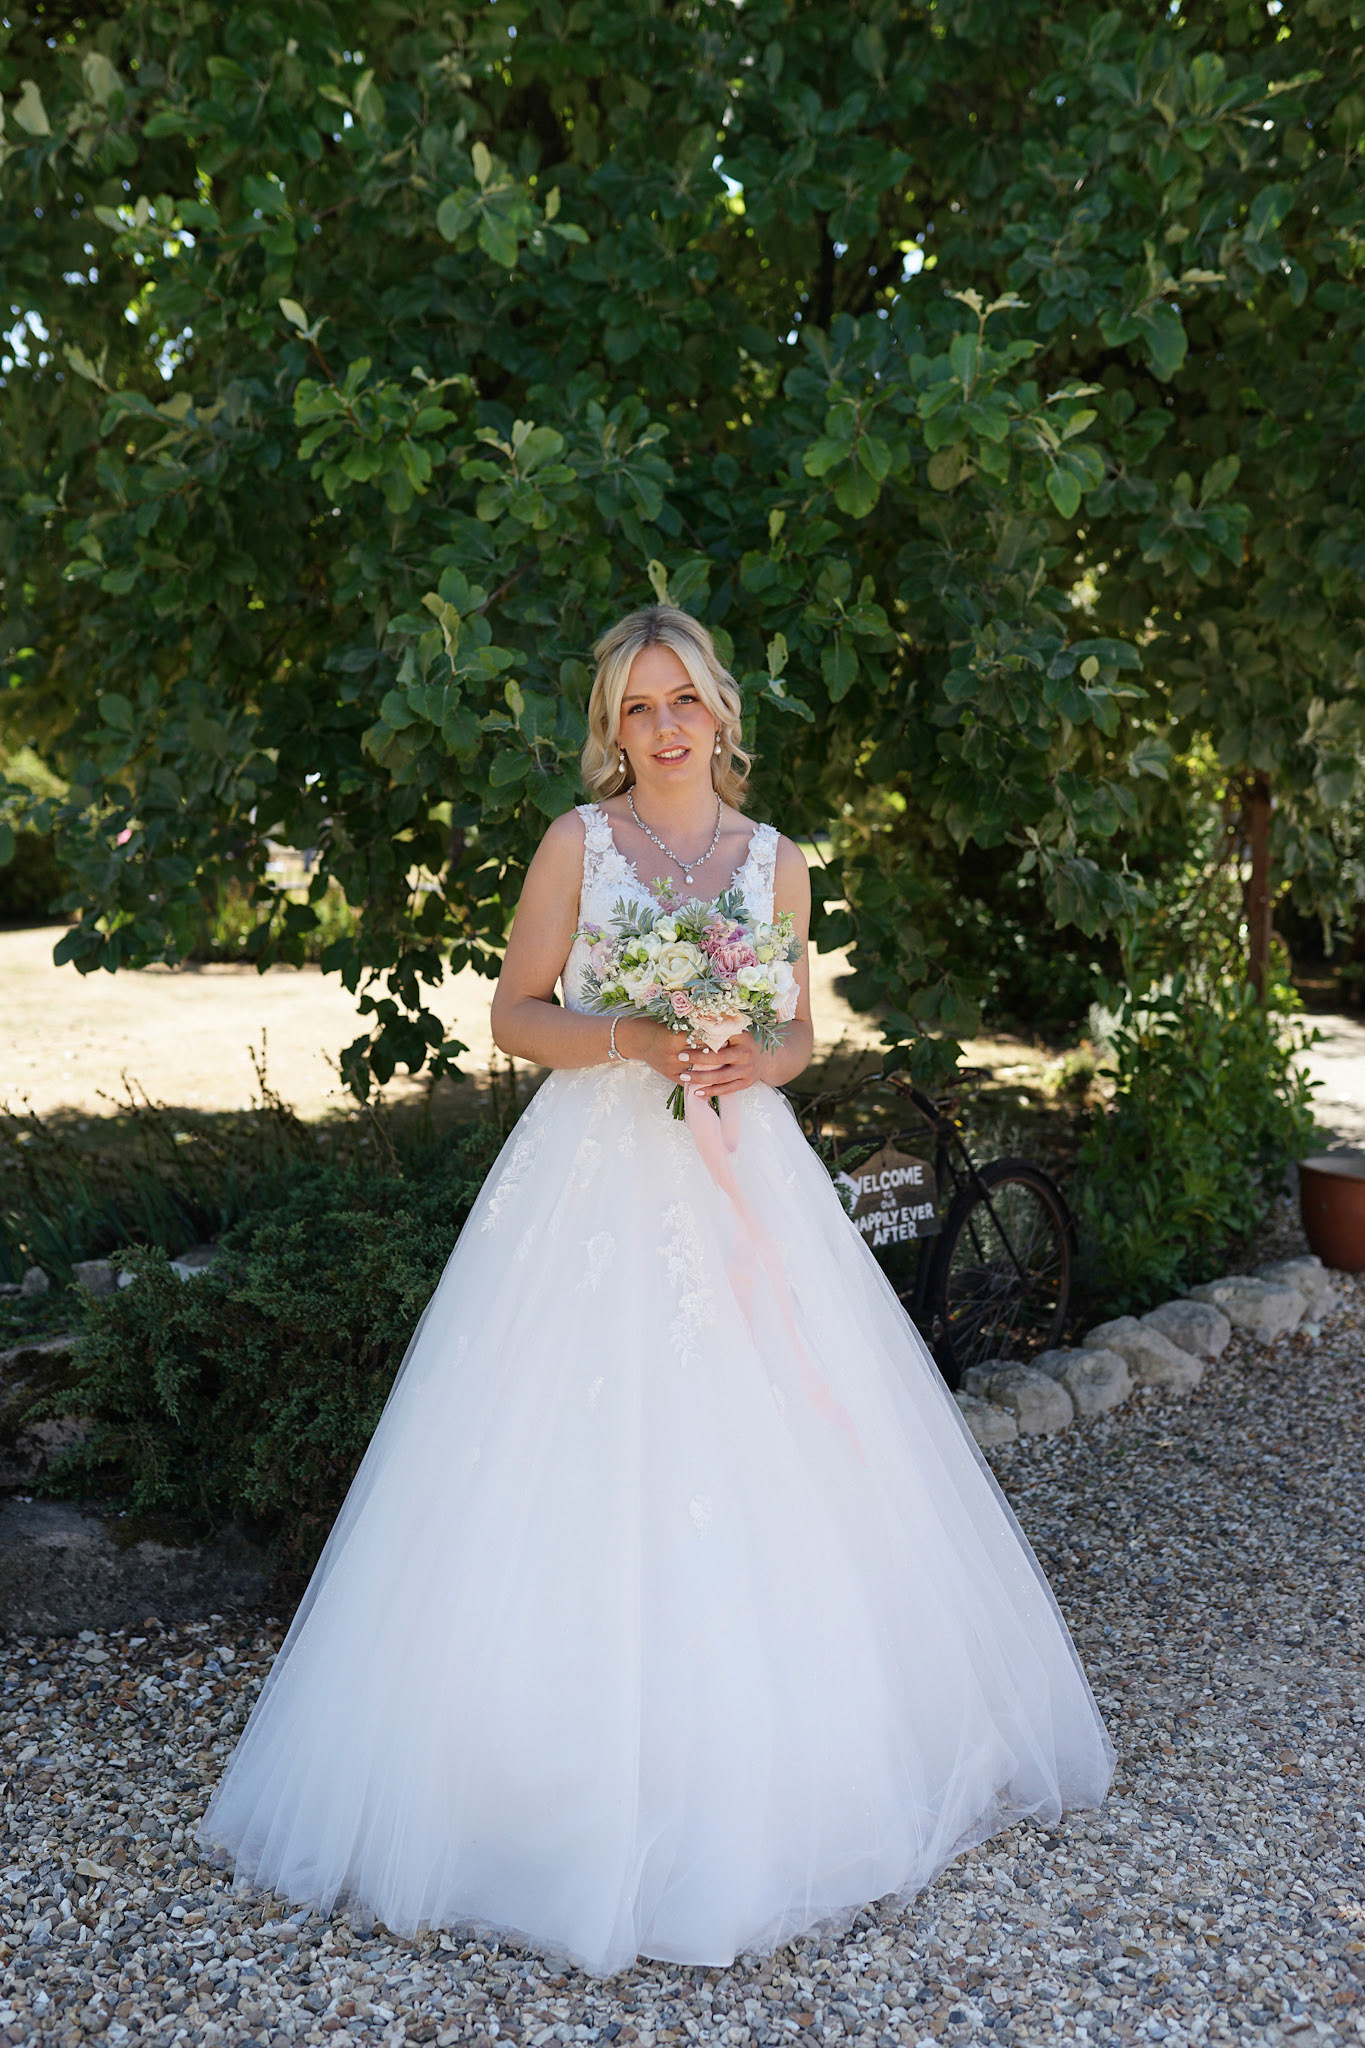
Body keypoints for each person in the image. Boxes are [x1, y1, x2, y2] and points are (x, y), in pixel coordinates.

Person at [196, 604, 1114, 1977]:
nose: (665, 725)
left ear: (720, 712)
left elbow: (799, 1030)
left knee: (773, 1433)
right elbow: (514, 1012)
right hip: (593, 1175)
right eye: (638, 705)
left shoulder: (778, 860)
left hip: (743, 1171)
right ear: (612, 728)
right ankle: (527, 1786)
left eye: (683, 698)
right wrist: (631, 1032)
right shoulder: (578, 843)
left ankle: (794, 1769)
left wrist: (760, 1060)